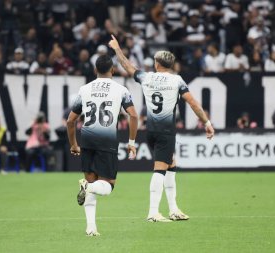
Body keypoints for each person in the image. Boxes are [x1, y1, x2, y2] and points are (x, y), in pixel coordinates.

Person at [109, 35, 215, 222]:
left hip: (151, 130)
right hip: (166, 132)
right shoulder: (177, 81)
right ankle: (152, 212)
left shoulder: (147, 78)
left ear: (157, 64)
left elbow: (127, 66)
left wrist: (117, 49)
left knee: (171, 165)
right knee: (160, 170)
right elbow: (193, 104)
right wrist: (206, 122)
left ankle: (173, 209)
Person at [66, 54, 138, 236]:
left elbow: (70, 121)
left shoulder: (84, 89)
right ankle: (88, 187)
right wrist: (131, 143)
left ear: (95, 70)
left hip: (87, 138)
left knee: (91, 179)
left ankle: (91, 228)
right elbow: (134, 115)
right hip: (107, 140)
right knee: (107, 186)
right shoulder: (121, 89)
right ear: (112, 70)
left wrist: (74, 144)